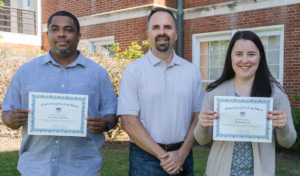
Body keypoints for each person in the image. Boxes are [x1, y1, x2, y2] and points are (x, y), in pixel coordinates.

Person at [1, 11, 118, 176]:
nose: (61, 34)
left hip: (83, 168)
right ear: (47, 34)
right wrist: (10, 119)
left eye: (68, 30)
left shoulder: (97, 74)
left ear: (78, 36)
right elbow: (6, 111)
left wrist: (105, 124)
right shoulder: (25, 72)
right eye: (55, 29)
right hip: (35, 168)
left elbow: (111, 112)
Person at [194, 31, 297, 175]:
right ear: (231, 57)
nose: (245, 60)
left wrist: (283, 127)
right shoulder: (214, 92)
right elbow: (202, 140)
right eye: (238, 54)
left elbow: (289, 142)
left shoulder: (276, 94)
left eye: (251, 54)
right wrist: (203, 126)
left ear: (260, 56)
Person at [117, 7, 204, 176]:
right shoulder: (133, 71)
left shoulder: (192, 71)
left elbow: (198, 117)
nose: (162, 32)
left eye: (167, 27)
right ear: (148, 34)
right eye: (156, 27)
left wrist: (182, 154)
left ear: (176, 34)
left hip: (183, 155)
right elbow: (128, 121)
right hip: (145, 159)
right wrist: (165, 157)